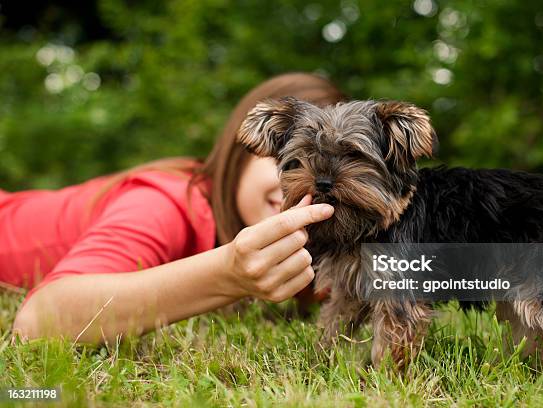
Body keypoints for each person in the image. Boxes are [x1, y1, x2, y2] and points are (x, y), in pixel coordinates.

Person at [1, 72, 345, 343]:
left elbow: (390, 274)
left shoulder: (316, 242)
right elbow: (37, 321)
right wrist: (227, 273)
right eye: (291, 159)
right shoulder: (166, 202)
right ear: (242, 152)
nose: (311, 186)